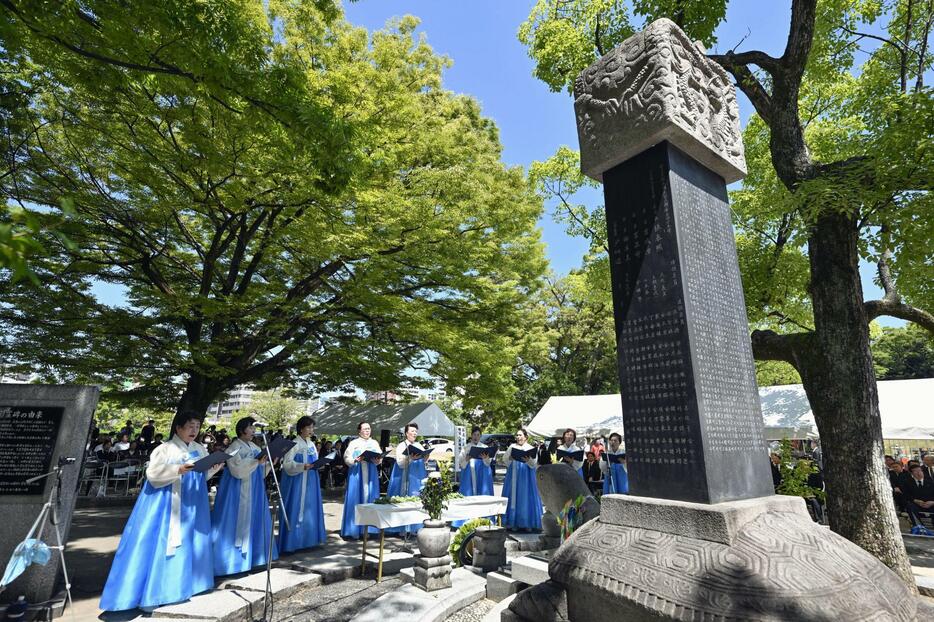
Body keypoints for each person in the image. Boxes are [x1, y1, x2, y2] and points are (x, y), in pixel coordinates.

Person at [99, 412, 221, 612]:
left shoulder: (199, 448)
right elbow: (153, 475)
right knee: (162, 543)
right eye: (190, 426)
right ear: (178, 428)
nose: (194, 430)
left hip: (192, 504)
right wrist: (177, 470)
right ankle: (154, 593)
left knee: (190, 541)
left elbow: (201, 475)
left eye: (197, 427)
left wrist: (213, 468)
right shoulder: (164, 449)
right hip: (166, 503)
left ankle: (187, 585)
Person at [211, 416, 278, 576]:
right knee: (234, 521)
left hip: (254, 488)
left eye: (254, 427)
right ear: (242, 430)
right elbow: (237, 471)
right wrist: (256, 462)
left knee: (253, 520)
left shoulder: (254, 446)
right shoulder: (233, 448)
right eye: (250, 427)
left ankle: (253, 558)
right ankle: (230, 561)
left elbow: (259, 472)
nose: (254, 430)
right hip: (237, 490)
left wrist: (269, 464)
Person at [278, 416, 326, 553]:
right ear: (301, 429)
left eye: (312, 427)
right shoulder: (293, 444)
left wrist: (318, 465)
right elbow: (287, 465)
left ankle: (308, 540)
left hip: (311, 481)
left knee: (310, 509)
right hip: (297, 482)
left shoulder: (311, 444)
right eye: (309, 427)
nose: (311, 430)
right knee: (296, 508)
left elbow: (314, 460)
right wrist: (301, 466)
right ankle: (292, 542)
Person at [340, 422, 382, 539]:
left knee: (370, 499)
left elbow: (379, 458)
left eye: (369, 429)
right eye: (365, 429)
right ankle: (354, 529)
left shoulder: (374, 443)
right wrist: (355, 460)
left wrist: (378, 460)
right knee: (356, 499)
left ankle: (369, 529)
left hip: (371, 474)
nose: (367, 431)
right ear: (359, 431)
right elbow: (347, 458)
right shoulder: (354, 443)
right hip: (357, 473)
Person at [386, 423, 428, 533]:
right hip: (406, 478)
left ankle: (415, 527)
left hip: (418, 478)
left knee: (417, 501)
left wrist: (425, 457)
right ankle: (403, 529)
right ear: (406, 433)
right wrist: (410, 458)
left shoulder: (419, 445)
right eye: (412, 431)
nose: (414, 433)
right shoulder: (401, 445)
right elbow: (400, 463)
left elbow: (422, 460)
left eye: (416, 431)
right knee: (406, 502)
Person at [502, 428, 542, 531]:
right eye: (517, 435)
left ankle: (527, 523)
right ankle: (513, 522)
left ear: (526, 437)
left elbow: (533, 464)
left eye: (520, 435)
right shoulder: (512, 447)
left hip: (526, 477)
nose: (518, 437)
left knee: (525, 497)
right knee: (513, 496)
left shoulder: (530, 448)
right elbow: (504, 460)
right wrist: (510, 458)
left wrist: (528, 460)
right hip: (513, 475)